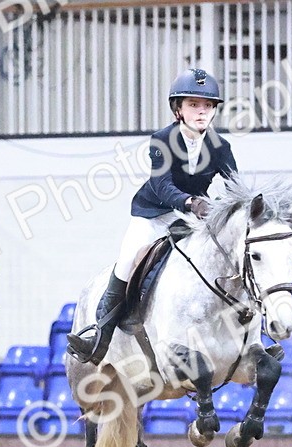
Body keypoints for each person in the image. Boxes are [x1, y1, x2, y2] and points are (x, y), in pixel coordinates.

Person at [67, 67, 239, 365]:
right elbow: (162, 185)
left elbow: (236, 183)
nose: (201, 112)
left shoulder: (221, 146)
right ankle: (98, 336)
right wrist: (189, 202)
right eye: (193, 105)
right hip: (154, 214)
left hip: (192, 218)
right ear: (178, 109)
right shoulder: (162, 139)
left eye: (207, 106)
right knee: (127, 260)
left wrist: (237, 208)